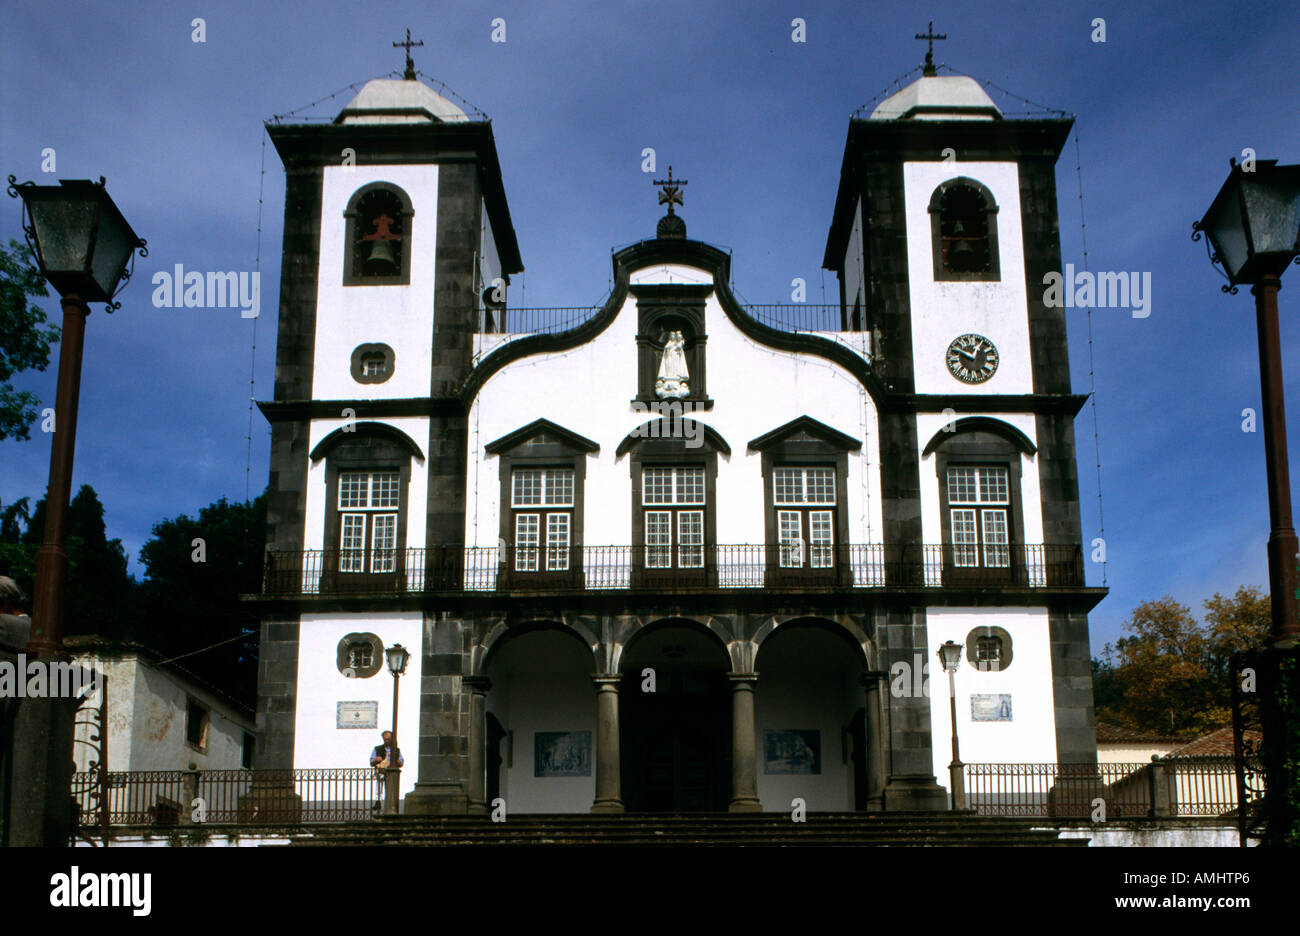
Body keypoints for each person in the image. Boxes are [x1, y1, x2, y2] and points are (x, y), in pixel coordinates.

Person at [370, 730, 404, 812]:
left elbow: (401, 763)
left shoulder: (396, 750)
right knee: (379, 787)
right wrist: (376, 760)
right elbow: (371, 762)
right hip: (381, 771)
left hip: (391, 773)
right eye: (385, 739)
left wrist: (395, 758)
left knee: (390, 791)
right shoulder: (377, 749)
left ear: (392, 739)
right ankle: (378, 802)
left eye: (388, 739)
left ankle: (390, 808)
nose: (386, 741)